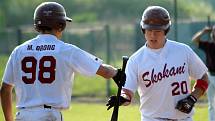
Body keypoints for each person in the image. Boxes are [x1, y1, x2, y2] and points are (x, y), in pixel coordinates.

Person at [0, 2, 125, 121]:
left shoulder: (19, 51)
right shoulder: (66, 50)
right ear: (61, 25)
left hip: (22, 115)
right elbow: (104, 71)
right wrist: (116, 72)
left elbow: (5, 89)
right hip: (49, 115)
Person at [106, 6, 209, 121]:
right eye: (149, 30)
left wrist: (192, 98)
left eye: (157, 31)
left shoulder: (183, 51)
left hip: (184, 118)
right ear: (143, 30)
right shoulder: (136, 60)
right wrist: (122, 99)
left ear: (166, 30)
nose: (153, 35)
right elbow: (127, 92)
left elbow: (204, 77)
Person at [192, 25, 215, 121]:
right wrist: (204, 31)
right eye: (214, 31)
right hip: (210, 76)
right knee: (212, 104)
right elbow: (195, 40)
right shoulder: (209, 46)